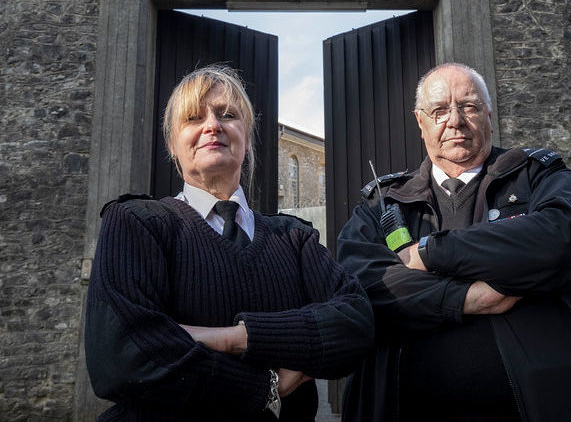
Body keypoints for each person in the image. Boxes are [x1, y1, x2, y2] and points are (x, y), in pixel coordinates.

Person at [86, 64, 373, 421]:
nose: (212, 125)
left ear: (247, 138)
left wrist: (236, 337)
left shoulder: (295, 237)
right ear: (173, 146)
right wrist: (265, 387)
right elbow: (122, 355)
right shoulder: (136, 223)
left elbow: (355, 321)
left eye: (227, 115)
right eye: (193, 118)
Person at [337, 62, 571, 422]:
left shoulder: (538, 176)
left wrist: (428, 253)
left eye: (469, 106)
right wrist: (468, 298)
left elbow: (562, 239)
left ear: (489, 113)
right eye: (439, 110)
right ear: (419, 122)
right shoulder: (383, 203)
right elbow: (361, 284)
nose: (454, 120)